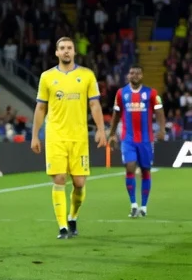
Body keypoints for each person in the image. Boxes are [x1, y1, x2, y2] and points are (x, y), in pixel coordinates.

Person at [32, 37, 107, 238]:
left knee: (79, 183)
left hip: (79, 137)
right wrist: (35, 135)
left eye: (69, 48)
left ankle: (72, 217)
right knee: (59, 178)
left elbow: (94, 105)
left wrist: (100, 129)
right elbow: (41, 107)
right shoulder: (47, 77)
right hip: (55, 135)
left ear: (74, 52)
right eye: (62, 48)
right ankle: (62, 226)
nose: (66, 51)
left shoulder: (87, 75)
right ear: (56, 52)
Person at [112, 65, 163, 217]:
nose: (135, 75)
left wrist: (162, 129)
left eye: (138, 73)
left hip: (146, 140)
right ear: (128, 75)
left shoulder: (152, 93)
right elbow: (116, 114)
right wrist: (112, 133)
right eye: (132, 72)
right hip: (128, 139)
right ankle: (134, 204)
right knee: (130, 167)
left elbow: (160, 111)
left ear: (142, 75)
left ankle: (144, 206)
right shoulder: (121, 93)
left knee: (146, 171)